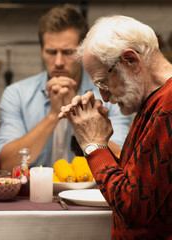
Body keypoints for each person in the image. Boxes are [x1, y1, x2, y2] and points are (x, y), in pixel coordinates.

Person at [59, 15, 172, 239]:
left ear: (131, 60)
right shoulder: (153, 102)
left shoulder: (169, 106)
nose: (105, 96)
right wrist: (93, 138)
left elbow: (132, 208)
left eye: (103, 82)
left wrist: (94, 145)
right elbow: (131, 185)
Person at [0, 4, 131, 171]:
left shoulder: (109, 95)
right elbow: (6, 164)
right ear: (41, 50)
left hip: (90, 195)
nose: (58, 62)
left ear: (83, 51)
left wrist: (78, 118)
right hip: (34, 195)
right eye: (51, 52)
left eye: (68, 52)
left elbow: (123, 162)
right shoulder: (16, 94)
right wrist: (53, 115)